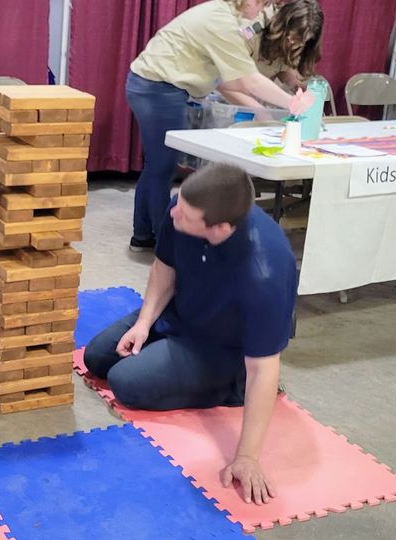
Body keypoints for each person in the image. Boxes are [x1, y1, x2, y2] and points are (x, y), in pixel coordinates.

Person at [83, 163, 297, 505]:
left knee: (125, 382)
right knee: (96, 357)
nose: (173, 216)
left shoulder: (264, 270)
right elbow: (164, 269)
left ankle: (230, 387)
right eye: (178, 205)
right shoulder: (181, 208)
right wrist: (144, 323)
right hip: (182, 312)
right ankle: (166, 352)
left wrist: (247, 457)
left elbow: (264, 367)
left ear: (221, 228)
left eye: (184, 215)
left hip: (223, 348)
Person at [125, 0, 323, 252]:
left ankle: (143, 236)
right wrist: (292, 104)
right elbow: (247, 81)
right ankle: (168, 247)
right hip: (159, 87)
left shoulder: (227, 15)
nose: (263, 9)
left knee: (157, 166)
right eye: (262, 3)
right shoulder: (223, 22)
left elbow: (245, 79)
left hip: (153, 84)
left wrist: (292, 97)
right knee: (161, 168)